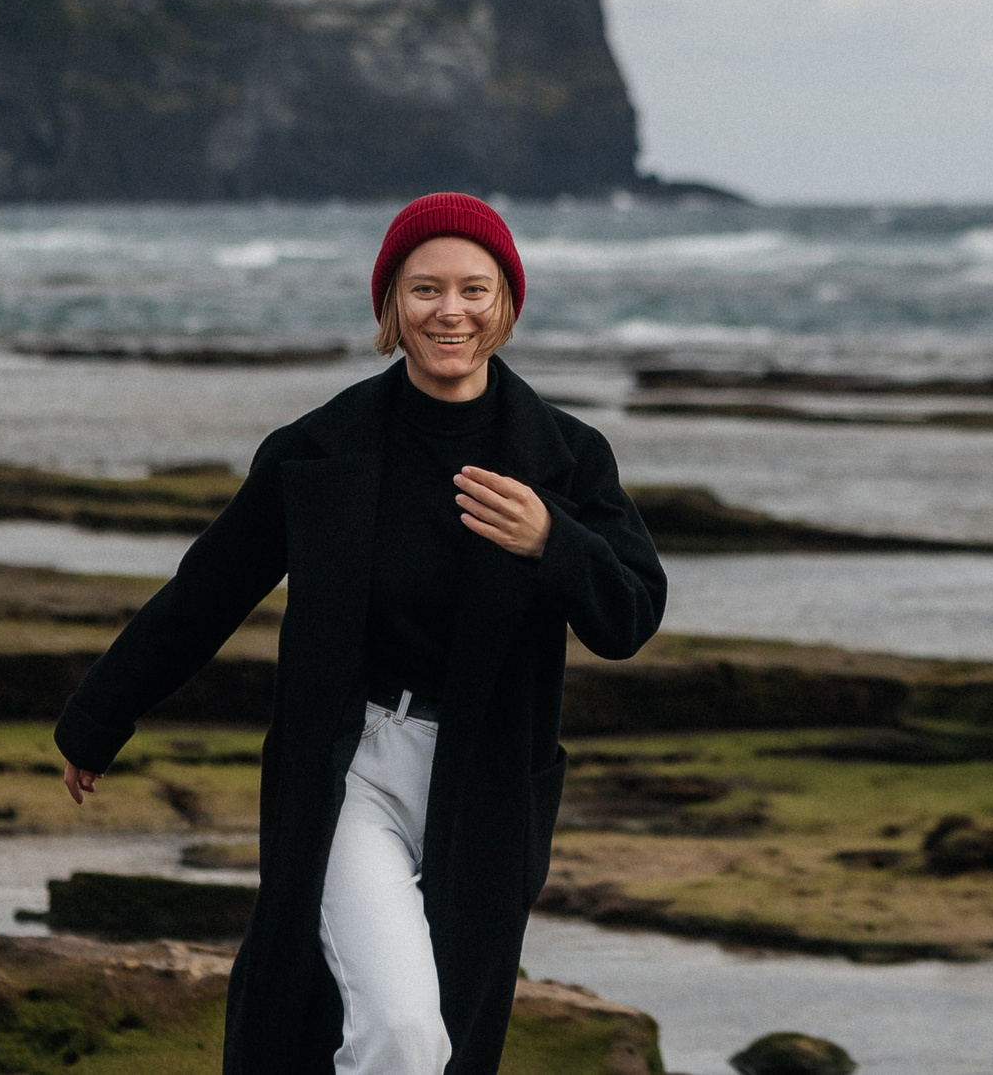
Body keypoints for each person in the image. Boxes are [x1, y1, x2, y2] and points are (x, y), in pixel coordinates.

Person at [54, 193, 667, 1075]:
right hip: (352, 769)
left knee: (450, 1045)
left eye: (473, 289)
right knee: (402, 1033)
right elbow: (207, 591)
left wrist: (553, 541)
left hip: (488, 783)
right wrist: (97, 716)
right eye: (424, 289)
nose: (449, 311)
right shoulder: (320, 450)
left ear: (506, 304)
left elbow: (632, 616)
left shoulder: (566, 458)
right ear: (390, 304)